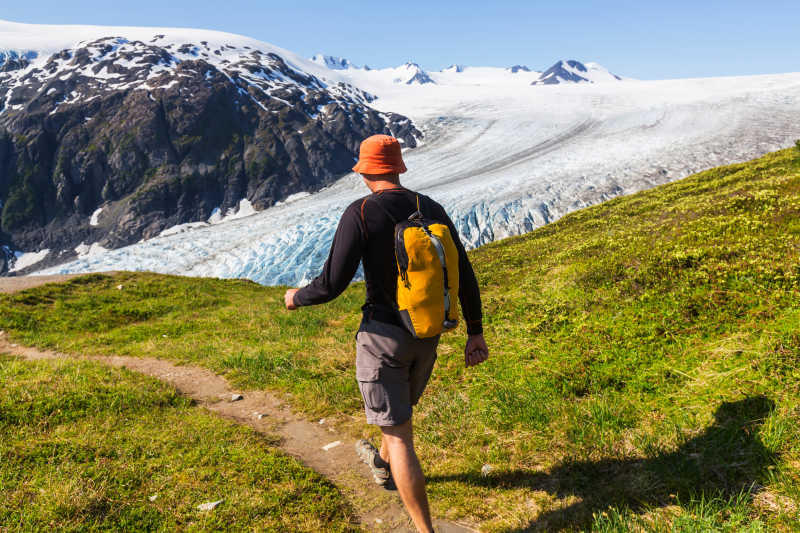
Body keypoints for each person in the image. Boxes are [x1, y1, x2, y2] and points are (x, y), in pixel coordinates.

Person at [284, 134, 488, 533]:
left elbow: (331, 284)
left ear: (364, 171)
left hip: (382, 339)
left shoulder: (361, 212)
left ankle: (424, 529)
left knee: (400, 438)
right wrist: (475, 332)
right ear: (397, 167)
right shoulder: (429, 207)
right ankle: (380, 466)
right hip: (426, 337)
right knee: (396, 417)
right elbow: (463, 274)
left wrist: (297, 297)